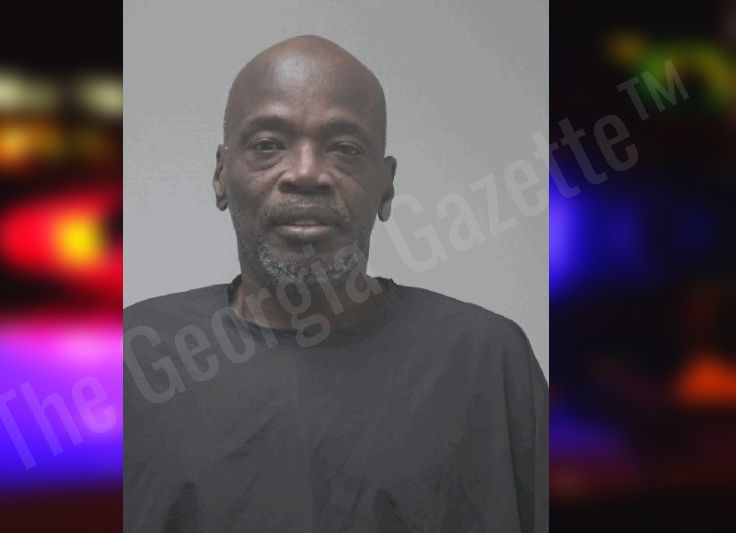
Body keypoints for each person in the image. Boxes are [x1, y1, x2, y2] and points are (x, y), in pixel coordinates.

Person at [124, 35, 547, 533]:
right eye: (267, 146)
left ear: (385, 185)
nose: (306, 174)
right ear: (221, 175)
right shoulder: (131, 357)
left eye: (345, 149)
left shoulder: (486, 362)